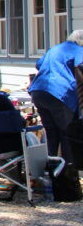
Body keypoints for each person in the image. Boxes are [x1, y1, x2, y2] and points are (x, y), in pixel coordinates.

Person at [28, 29, 83, 165]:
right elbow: (81, 65)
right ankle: (68, 173)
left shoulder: (55, 49)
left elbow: (39, 64)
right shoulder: (79, 50)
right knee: (67, 134)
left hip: (39, 91)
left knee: (51, 133)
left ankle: (50, 170)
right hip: (59, 94)